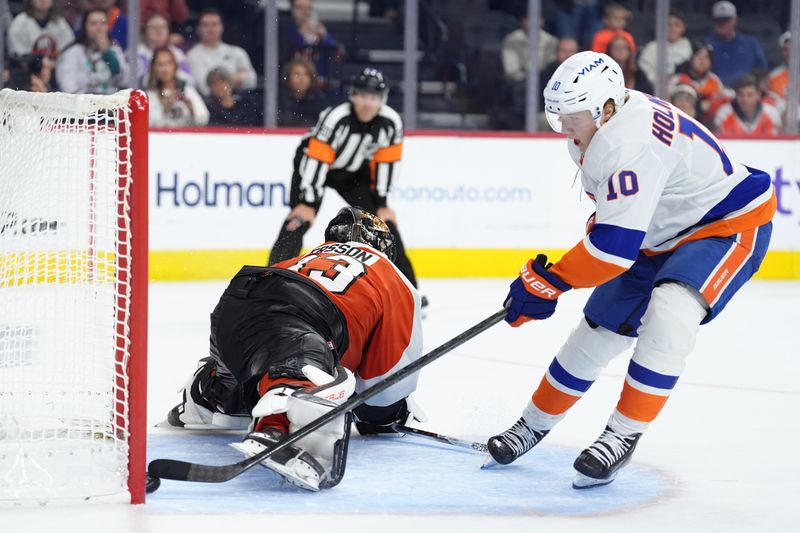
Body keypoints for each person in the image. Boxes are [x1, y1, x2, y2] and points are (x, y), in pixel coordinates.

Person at [486, 51, 775, 489]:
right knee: (598, 330)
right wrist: (550, 282)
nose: (563, 127)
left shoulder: (627, 142)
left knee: (672, 310)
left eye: (572, 116)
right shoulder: (593, 128)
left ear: (605, 109)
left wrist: (549, 281)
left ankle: (622, 434)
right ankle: (532, 423)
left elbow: (613, 250)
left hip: (725, 225)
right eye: (556, 116)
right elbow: (613, 222)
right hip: (657, 233)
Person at [166, 207, 424, 491]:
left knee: (249, 374)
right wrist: (388, 415)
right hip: (300, 318)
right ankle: (277, 427)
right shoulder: (391, 276)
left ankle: (209, 393)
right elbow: (385, 386)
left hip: (238, 302)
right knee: (311, 370)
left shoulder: (308, 256)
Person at [267, 68, 420, 291]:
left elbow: (386, 164)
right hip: (314, 165)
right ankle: (270, 282)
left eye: (374, 98)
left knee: (383, 225)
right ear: (353, 95)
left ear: (383, 99)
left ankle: (408, 288)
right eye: (363, 96)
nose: (368, 103)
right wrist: (308, 201)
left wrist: (382, 203)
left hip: (353, 173)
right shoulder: (336, 117)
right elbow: (317, 158)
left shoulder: (391, 122)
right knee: (298, 218)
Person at [56, 8, 129, 94]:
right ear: (85, 27)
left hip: (111, 102)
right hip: (83, 103)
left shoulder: (115, 49)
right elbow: (67, 86)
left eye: (103, 23)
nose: (99, 28)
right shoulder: (73, 52)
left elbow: (126, 81)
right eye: (93, 24)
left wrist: (107, 53)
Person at [187, 8, 257, 97]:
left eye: (215, 24)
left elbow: (252, 80)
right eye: (206, 25)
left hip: (239, 101)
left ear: (222, 27)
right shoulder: (193, 55)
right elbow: (205, 88)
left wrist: (220, 81)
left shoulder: (237, 52)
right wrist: (236, 78)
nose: (210, 29)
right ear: (198, 29)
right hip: (211, 105)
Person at [706, 1, 767, 87]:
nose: (722, 23)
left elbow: (762, 71)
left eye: (726, 19)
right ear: (713, 22)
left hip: (745, 92)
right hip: (716, 92)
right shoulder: (706, 45)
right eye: (718, 20)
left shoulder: (750, 43)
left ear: (735, 20)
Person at [670, 41, 727, 128]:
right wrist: (699, 107)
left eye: (707, 57)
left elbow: (722, 102)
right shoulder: (678, 79)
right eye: (698, 55)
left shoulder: (715, 81)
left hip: (708, 126)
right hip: (678, 123)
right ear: (691, 57)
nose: (702, 60)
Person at [147, 47, 209, 127]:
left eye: (169, 63)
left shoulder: (187, 90)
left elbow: (204, 119)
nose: (165, 69)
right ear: (154, 68)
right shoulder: (150, 95)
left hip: (186, 137)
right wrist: (165, 110)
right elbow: (149, 124)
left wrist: (191, 108)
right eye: (160, 64)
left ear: (175, 66)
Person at [637, 9, 692, 88]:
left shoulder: (690, 48)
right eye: (669, 25)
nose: (673, 29)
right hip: (656, 91)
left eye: (677, 25)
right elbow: (645, 71)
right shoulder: (652, 47)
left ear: (683, 28)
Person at [137, 12, 193, 89]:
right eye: (153, 27)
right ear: (145, 30)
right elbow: (130, 80)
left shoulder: (178, 54)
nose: (158, 30)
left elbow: (189, 80)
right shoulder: (137, 52)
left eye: (162, 27)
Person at [714, 74, 781, 136]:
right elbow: (723, 144)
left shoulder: (771, 113)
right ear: (736, 95)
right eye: (741, 95)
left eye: (750, 95)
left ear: (758, 94)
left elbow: (774, 144)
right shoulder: (724, 114)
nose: (745, 100)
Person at [7, 0, 74, 60]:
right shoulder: (19, 24)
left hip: (57, 71)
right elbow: (18, 56)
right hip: (26, 71)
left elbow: (69, 54)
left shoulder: (61, 24)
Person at [501, 14, 558, 83]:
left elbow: (552, 67)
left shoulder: (551, 41)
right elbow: (512, 72)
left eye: (537, 19)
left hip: (546, 82)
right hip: (520, 82)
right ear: (522, 22)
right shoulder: (512, 40)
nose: (534, 23)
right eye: (529, 19)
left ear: (542, 21)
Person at [278, 57, 330, 127]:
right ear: (288, 77)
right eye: (297, 74)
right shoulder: (279, 100)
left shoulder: (320, 101)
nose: (301, 79)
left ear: (311, 78)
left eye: (306, 74)